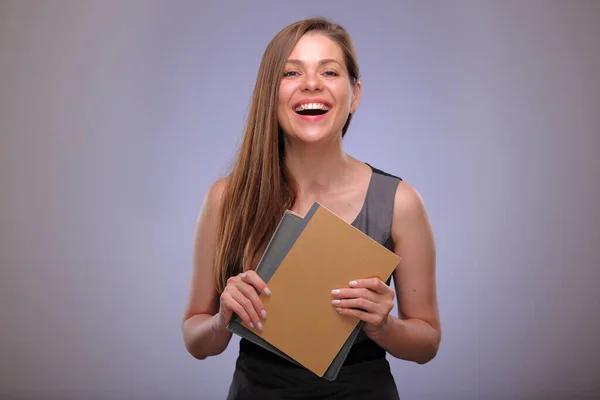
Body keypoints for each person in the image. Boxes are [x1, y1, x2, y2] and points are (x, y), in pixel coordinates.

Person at [182, 17, 441, 400]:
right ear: (270, 94)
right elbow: (197, 339)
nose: (311, 84)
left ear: (354, 94)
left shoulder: (401, 202)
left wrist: (385, 328)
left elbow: (427, 342)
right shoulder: (225, 199)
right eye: (291, 72)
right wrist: (223, 318)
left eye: (330, 71)